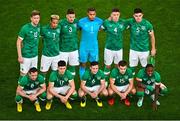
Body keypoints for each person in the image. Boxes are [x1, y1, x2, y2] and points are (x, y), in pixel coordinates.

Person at [126, 8, 156, 74]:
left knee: (145, 67)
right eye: (136, 16)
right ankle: (132, 83)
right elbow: (121, 22)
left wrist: (153, 48)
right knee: (132, 67)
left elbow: (152, 36)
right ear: (133, 16)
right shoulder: (130, 22)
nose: (138, 18)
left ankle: (144, 83)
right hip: (133, 49)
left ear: (142, 15)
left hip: (144, 50)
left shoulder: (147, 24)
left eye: (140, 16)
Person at [101, 8, 127, 83]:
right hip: (109, 49)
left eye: (117, 15)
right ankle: (105, 81)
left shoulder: (123, 22)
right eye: (114, 15)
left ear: (119, 15)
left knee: (117, 66)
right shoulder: (106, 22)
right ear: (111, 15)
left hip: (119, 49)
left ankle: (116, 80)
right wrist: (109, 19)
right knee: (108, 66)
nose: (116, 16)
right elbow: (100, 29)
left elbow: (131, 23)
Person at [78, 8, 103, 79]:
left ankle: (94, 79)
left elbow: (102, 27)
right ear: (87, 14)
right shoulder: (81, 21)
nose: (92, 16)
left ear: (95, 14)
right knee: (83, 63)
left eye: (94, 14)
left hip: (94, 46)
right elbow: (78, 28)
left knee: (94, 64)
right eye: (90, 14)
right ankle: (82, 79)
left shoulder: (99, 21)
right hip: (84, 46)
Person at [16, 10, 41, 76]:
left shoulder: (39, 27)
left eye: (38, 18)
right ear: (31, 18)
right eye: (35, 18)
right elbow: (18, 42)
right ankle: (21, 86)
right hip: (26, 56)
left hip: (35, 55)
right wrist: (20, 56)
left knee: (33, 74)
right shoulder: (25, 28)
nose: (36, 20)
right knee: (23, 74)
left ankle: (30, 86)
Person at [59, 9, 79, 76]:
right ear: (66, 16)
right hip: (63, 50)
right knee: (62, 67)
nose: (72, 19)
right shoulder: (61, 23)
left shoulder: (76, 22)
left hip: (74, 49)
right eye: (70, 17)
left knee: (72, 66)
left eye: (73, 17)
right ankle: (62, 82)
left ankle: (71, 83)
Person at [40, 15, 61, 80]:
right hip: (46, 55)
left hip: (56, 55)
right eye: (53, 23)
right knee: (43, 72)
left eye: (56, 23)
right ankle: (42, 86)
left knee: (55, 72)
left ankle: (53, 86)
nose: (55, 24)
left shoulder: (59, 28)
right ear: (50, 22)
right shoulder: (44, 29)